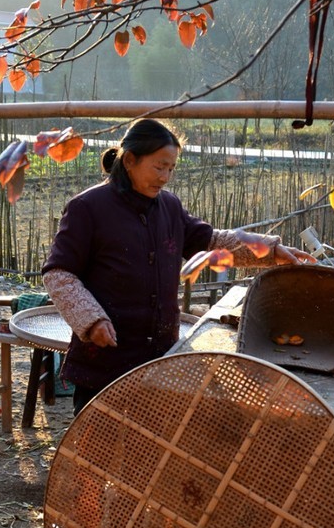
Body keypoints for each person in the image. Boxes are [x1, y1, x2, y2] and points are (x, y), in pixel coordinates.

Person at [42, 118, 316, 415]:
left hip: (160, 354)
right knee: (100, 445)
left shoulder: (168, 206)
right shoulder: (89, 208)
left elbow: (210, 241)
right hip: (107, 356)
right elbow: (58, 272)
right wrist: (91, 320)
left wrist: (270, 250)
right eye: (159, 167)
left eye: (171, 168)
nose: (165, 177)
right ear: (130, 160)